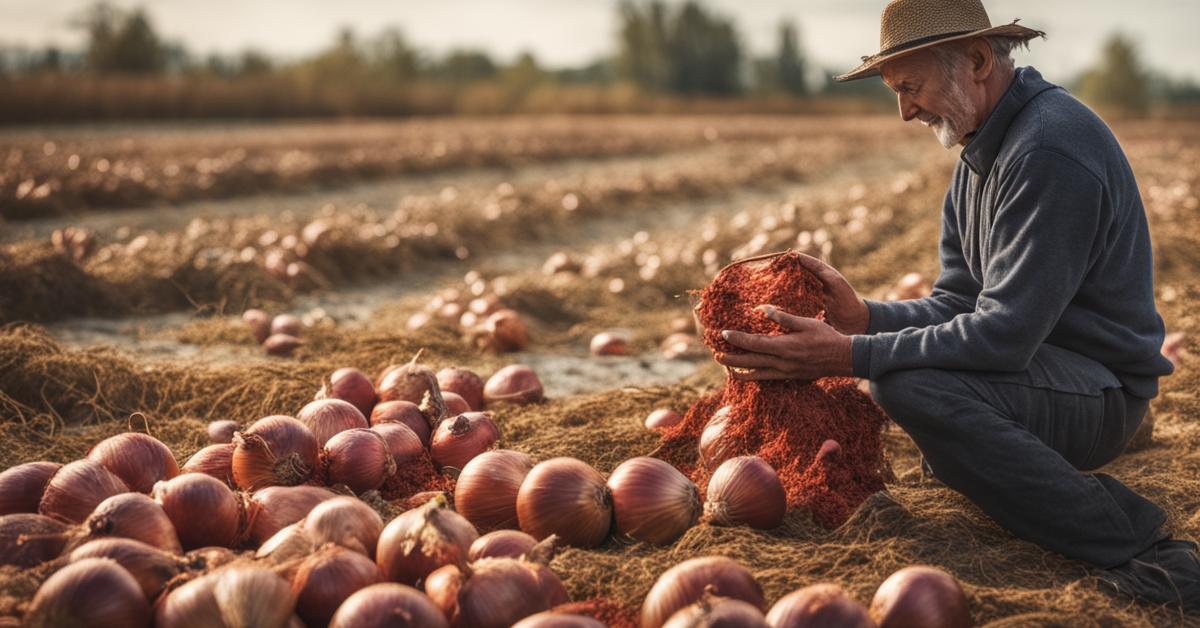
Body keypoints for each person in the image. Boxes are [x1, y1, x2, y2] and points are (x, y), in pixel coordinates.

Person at [714, 0, 1199, 614]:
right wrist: (866, 319)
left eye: (910, 87)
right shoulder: (981, 154)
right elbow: (957, 303)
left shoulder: (1048, 150)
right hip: (1045, 376)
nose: (904, 110)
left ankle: (1149, 553)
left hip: (1098, 392)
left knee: (909, 387)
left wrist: (850, 352)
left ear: (974, 60)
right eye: (896, 91)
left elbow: (1003, 336)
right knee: (900, 372)